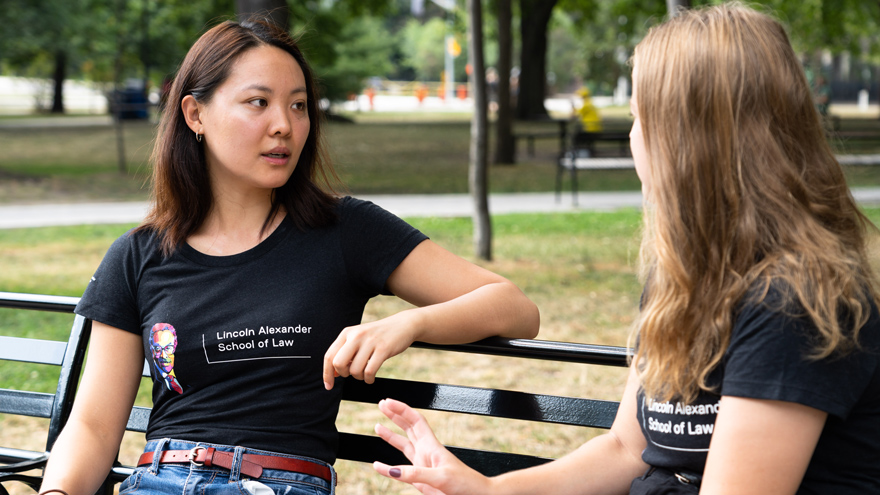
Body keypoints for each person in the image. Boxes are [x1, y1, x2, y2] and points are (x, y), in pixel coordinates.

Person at [371, 4, 880, 494]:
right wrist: (485, 490)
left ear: (689, 139)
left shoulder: (793, 302)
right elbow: (625, 450)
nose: (633, 138)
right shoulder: (683, 277)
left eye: (640, 118)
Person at [37, 17, 539, 495]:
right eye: (258, 102)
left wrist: (407, 325)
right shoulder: (140, 255)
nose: (284, 125)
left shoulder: (344, 230)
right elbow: (94, 427)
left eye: (298, 106)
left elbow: (515, 307)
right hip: (164, 477)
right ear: (195, 114)